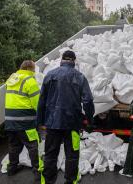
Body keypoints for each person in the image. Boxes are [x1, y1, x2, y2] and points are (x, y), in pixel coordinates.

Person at [37, 50, 95, 184]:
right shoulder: (80, 77)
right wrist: (90, 120)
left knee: (50, 155)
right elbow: (88, 101)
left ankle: (47, 181)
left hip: (52, 123)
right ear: (74, 61)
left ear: (61, 60)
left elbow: (42, 100)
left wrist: (39, 122)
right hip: (73, 124)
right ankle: (70, 181)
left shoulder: (50, 75)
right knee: (72, 155)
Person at [4, 60, 44, 182]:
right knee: (32, 146)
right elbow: (38, 104)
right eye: (33, 70)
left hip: (10, 120)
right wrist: (43, 120)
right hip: (25, 121)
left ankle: (12, 168)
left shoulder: (12, 79)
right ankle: (38, 172)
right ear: (29, 69)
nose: (34, 72)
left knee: (14, 145)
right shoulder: (30, 81)